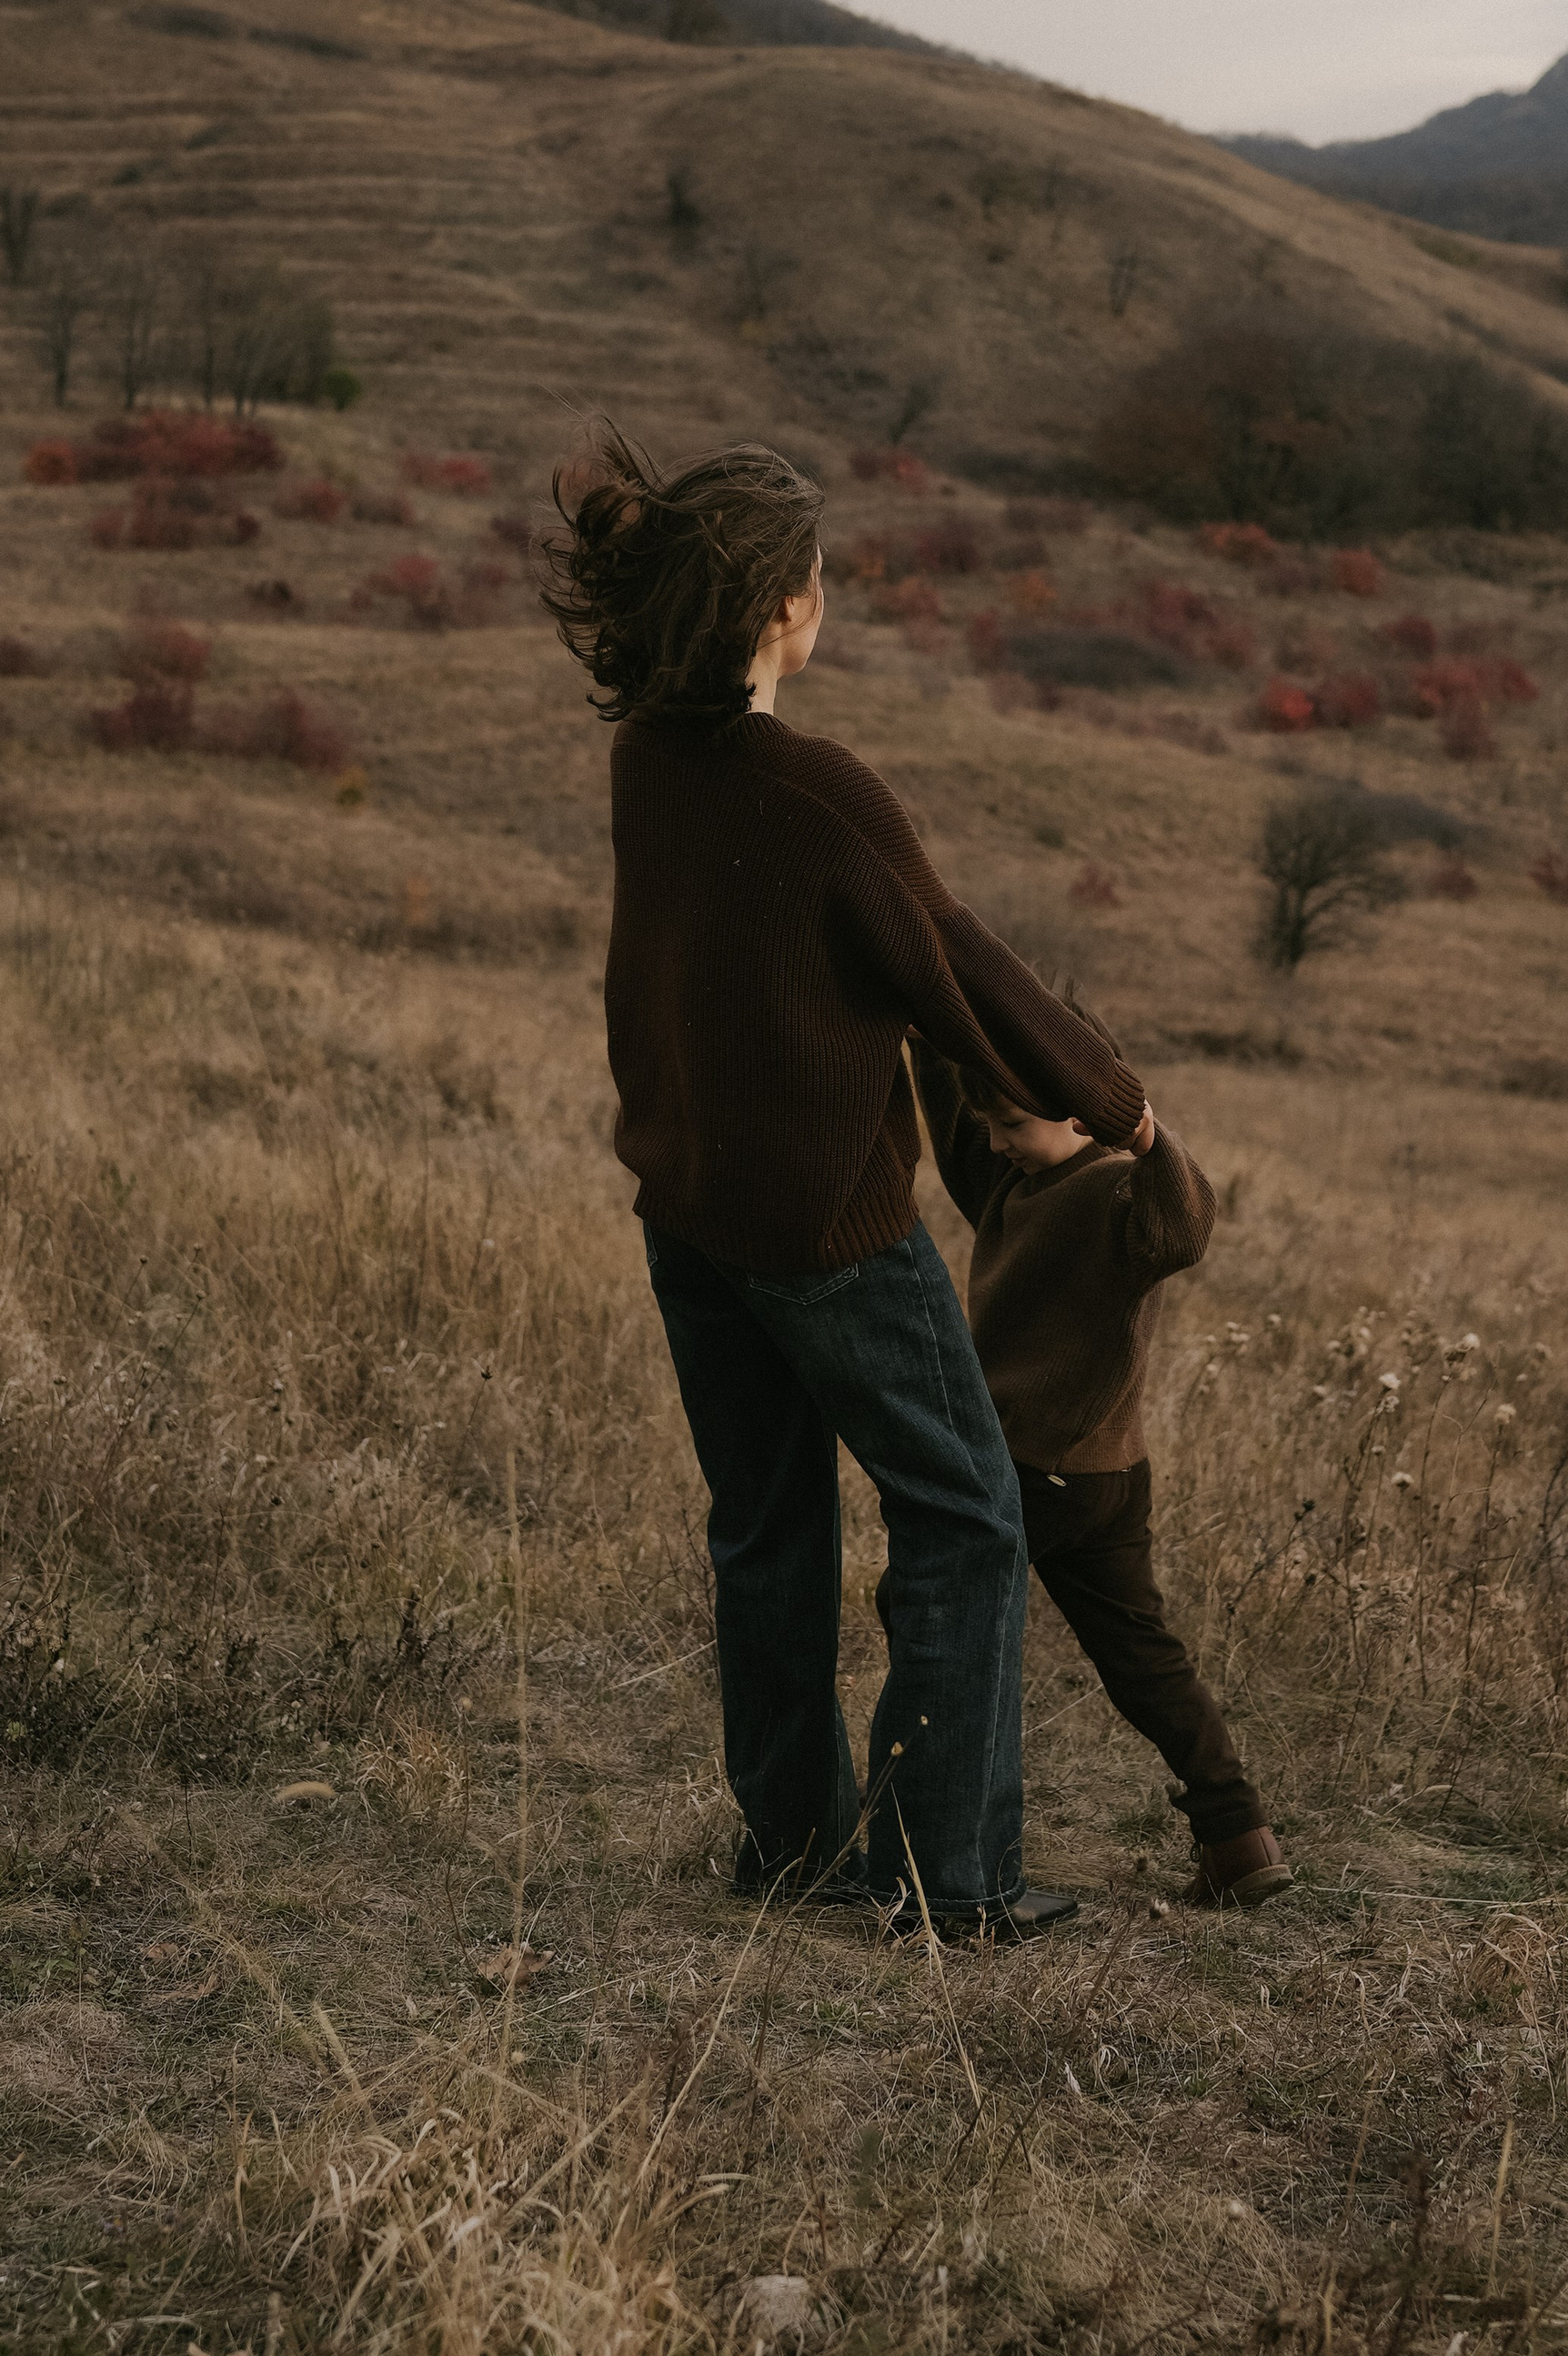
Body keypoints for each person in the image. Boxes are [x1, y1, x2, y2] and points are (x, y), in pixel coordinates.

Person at [541, 428, 1145, 1941]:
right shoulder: (820, 792)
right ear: (782, 609)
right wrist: (1111, 1100)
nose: (826, 596)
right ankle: (947, 1882)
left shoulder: (646, 758)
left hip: (690, 1218)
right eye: (816, 577)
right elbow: (960, 972)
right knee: (965, 1508)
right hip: (825, 1235)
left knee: (766, 1525)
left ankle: (793, 1848)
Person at [908, 1027, 1294, 1906]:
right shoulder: (1018, 1176)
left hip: (1047, 1474)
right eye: (992, 1124)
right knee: (1142, 1657)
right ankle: (1238, 1834)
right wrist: (931, 1026)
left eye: (1010, 1122)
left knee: (936, 1615)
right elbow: (956, 1117)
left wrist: (1148, 1130)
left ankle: (943, 1834)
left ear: (1086, 1112)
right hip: (1107, 1473)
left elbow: (1187, 1223)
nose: (996, 1140)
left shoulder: (1121, 1192)